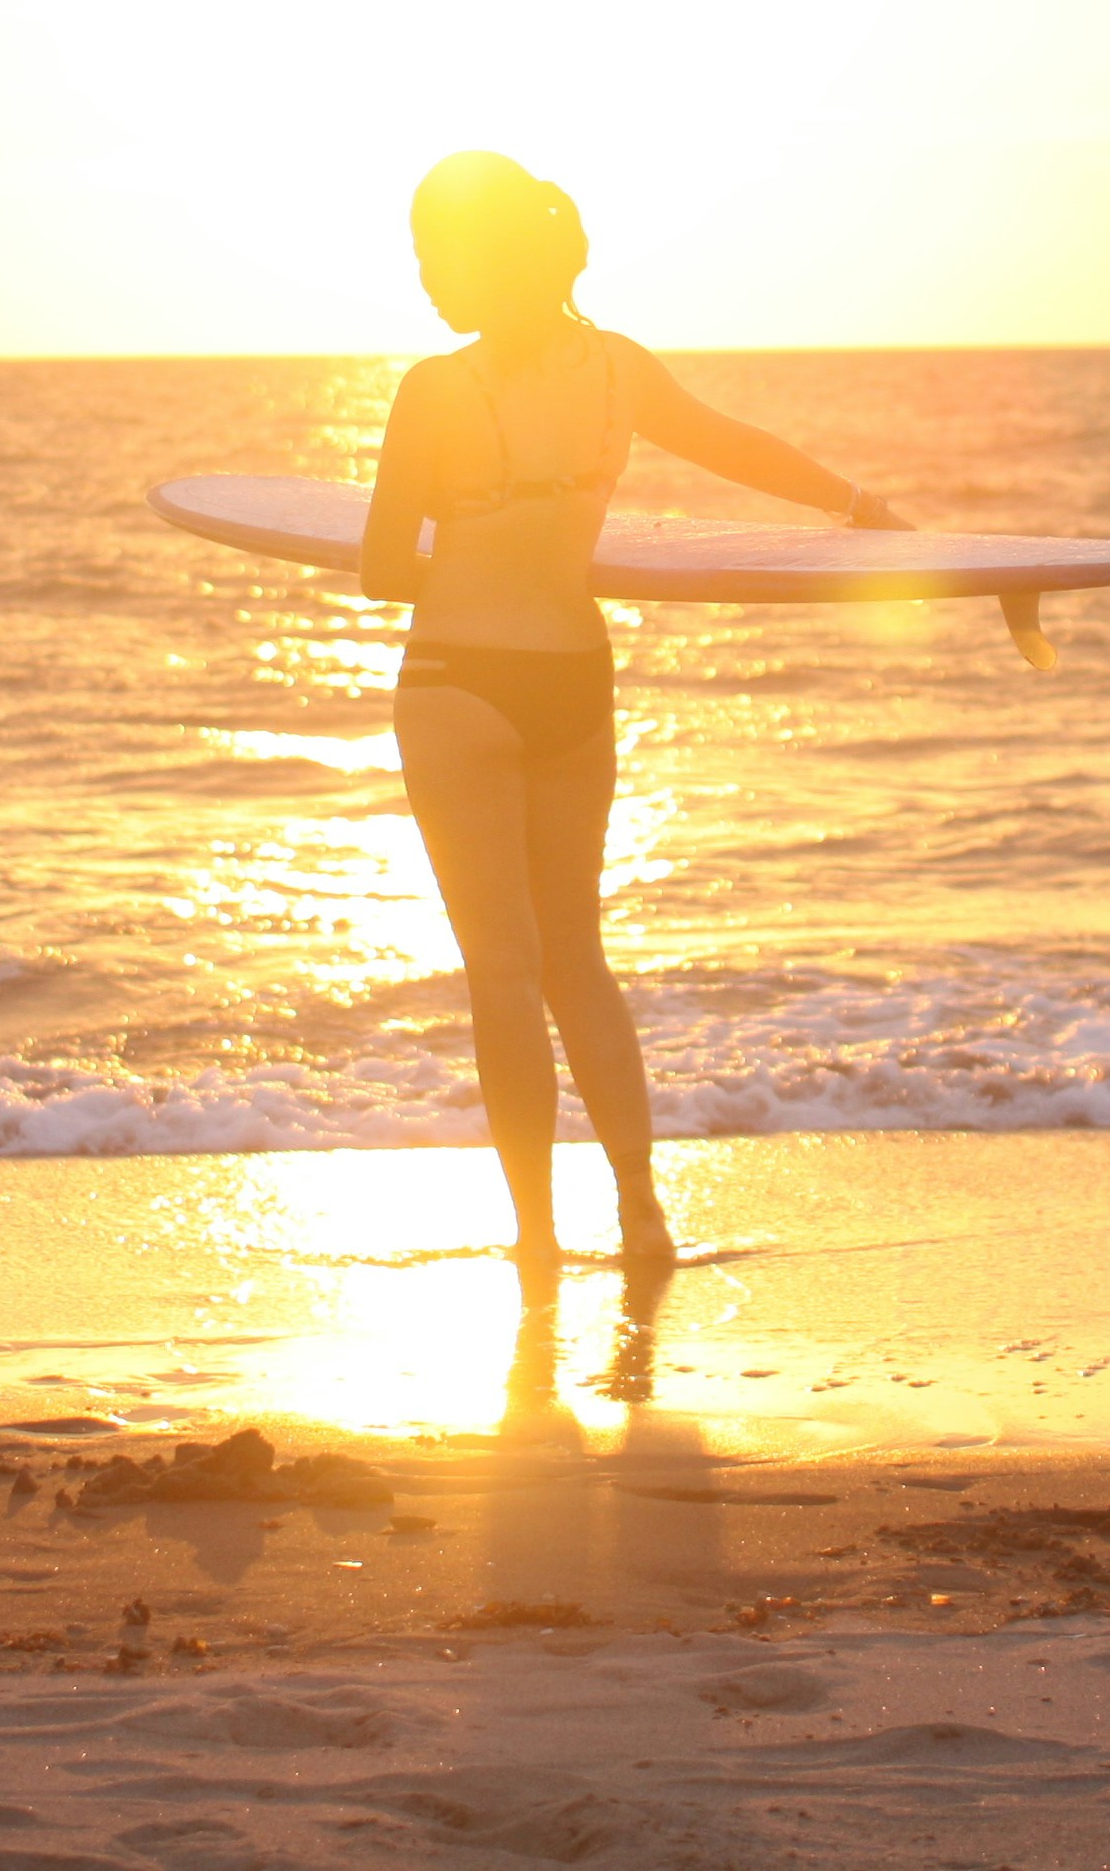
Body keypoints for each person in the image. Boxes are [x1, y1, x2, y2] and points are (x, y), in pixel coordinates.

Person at [360, 151, 910, 1279]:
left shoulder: (432, 389)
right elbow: (735, 445)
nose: (423, 276)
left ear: (483, 257)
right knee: (578, 961)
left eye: (434, 252)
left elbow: (379, 568)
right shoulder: (618, 370)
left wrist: (467, 544)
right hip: (576, 677)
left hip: (459, 679)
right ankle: (643, 1214)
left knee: (502, 973)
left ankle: (537, 1238)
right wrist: (861, 505)